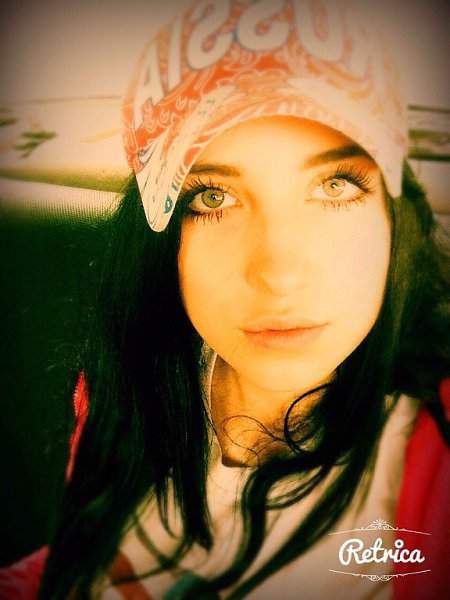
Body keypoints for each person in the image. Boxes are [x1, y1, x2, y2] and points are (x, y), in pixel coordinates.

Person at [1, 1, 449, 599]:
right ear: (161, 235)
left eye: (336, 186)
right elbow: (79, 563)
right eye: (212, 198)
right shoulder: (126, 385)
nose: (279, 275)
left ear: (394, 216)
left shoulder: (432, 455)